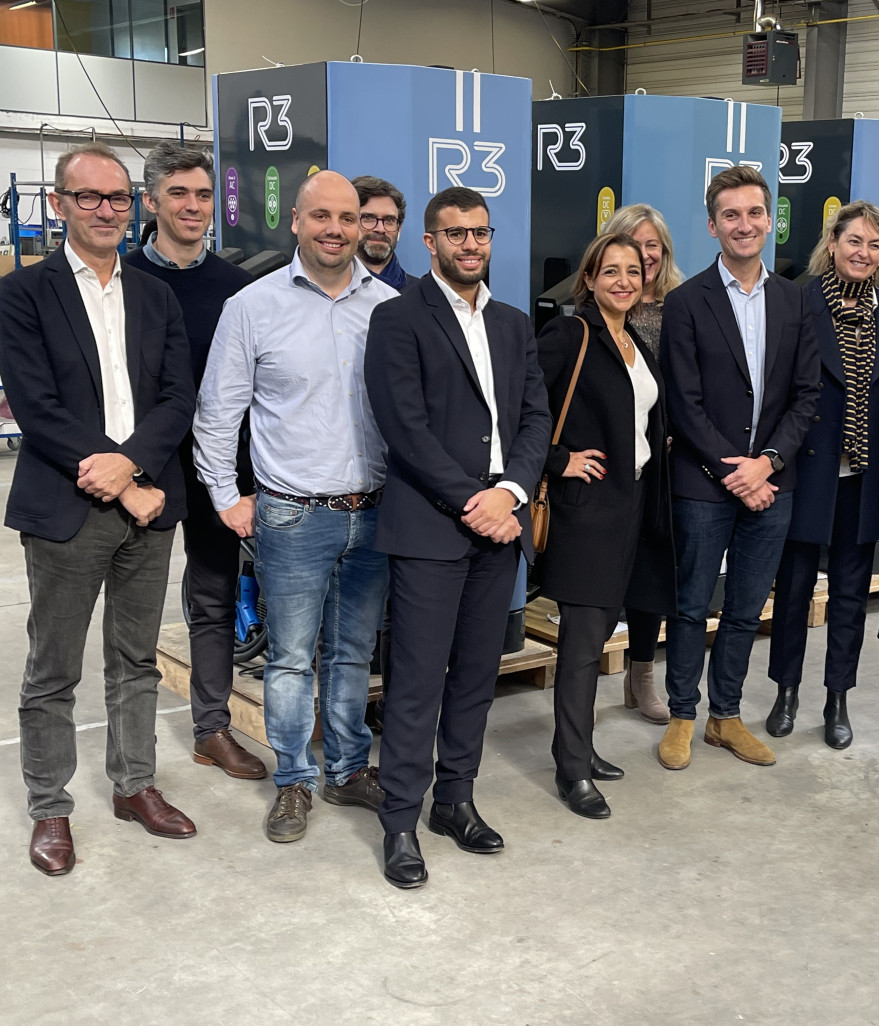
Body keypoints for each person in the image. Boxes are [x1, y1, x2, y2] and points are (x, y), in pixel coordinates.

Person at [0, 142, 197, 875]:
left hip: (146, 510)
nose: (106, 209)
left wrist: (135, 466)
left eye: (117, 197)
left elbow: (178, 396)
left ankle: (134, 785)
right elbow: (38, 408)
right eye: (89, 197)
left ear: (134, 204)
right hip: (66, 510)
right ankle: (50, 805)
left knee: (134, 660)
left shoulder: (155, 295)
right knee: (53, 670)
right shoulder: (25, 295)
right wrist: (120, 478)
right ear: (60, 205)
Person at [194, 170, 396, 843]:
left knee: (351, 653)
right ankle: (293, 781)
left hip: (372, 513)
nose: (337, 229)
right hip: (290, 515)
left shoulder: (388, 308)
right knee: (288, 660)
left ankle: (343, 770)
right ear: (296, 223)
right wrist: (226, 497)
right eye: (322, 217)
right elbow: (218, 413)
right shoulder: (252, 307)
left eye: (349, 217)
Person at [364, 186, 550, 888]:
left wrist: (510, 494)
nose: (470, 244)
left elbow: (535, 419)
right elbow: (403, 428)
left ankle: (456, 802)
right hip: (433, 529)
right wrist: (474, 500)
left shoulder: (512, 323)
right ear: (430, 243)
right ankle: (400, 823)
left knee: (477, 677)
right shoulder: (397, 320)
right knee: (415, 684)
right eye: (455, 234)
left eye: (480, 233)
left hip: (499, 527)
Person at [657, 165, 820, 772]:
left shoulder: (795, 300)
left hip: (775, 484)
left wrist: (769, 464)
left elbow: (807, 395)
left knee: (748, 609)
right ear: (713, 225)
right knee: (692, 604)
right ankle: (682, 714)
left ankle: (726, 717)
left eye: (754, 213)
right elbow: (684, 402)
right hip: (703, 483)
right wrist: (737, 471)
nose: (744, 225)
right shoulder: (685, 302)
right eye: (731, 215)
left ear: (769, 220)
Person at [125, 141, 261, 780]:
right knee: (135, 606)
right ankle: (131, 758)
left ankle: (212, 729)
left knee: (213, 596)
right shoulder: (119, 281)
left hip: (216, 469)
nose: (192, 206)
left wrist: (242, 478)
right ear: (151, 201)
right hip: (140, 470)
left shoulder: (236, 289)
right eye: (178, 193)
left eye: (203, 194)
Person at [536, 232, 674, 818]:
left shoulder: (635, 339)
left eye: (634, 270)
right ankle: (571, 769)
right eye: (610, 271)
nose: (624, 280)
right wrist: (558, 458)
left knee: (596, 642)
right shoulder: (571, 333)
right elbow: (521, 411)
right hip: (586, 513)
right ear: (588, 280)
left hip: (632, 507)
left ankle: (581, 747)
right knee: (582, 645)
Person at [765, 201, 879, 749]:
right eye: (854, 241)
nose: (862, 253)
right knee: (795, 590)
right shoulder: (799, 303)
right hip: (806, 470)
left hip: (865, 474)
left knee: (851, 593)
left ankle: (837, 698)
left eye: (874, 245)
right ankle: (786, 690)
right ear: (832, 244)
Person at [600, 203, 682, 724]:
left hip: (667, 461)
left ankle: (642, 675)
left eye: (652, 246)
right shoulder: (602, 311)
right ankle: (585, 676)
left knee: (654, 571)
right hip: (611, 464)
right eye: (633, 245)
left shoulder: (683, 306)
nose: (644, 256)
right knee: (605, 576)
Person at [353, 175, 416, 290]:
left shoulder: (421, 294)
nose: (380, 229)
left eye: (389, 220)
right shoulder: (330, 289)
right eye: (368, 218)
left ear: (399, 228)